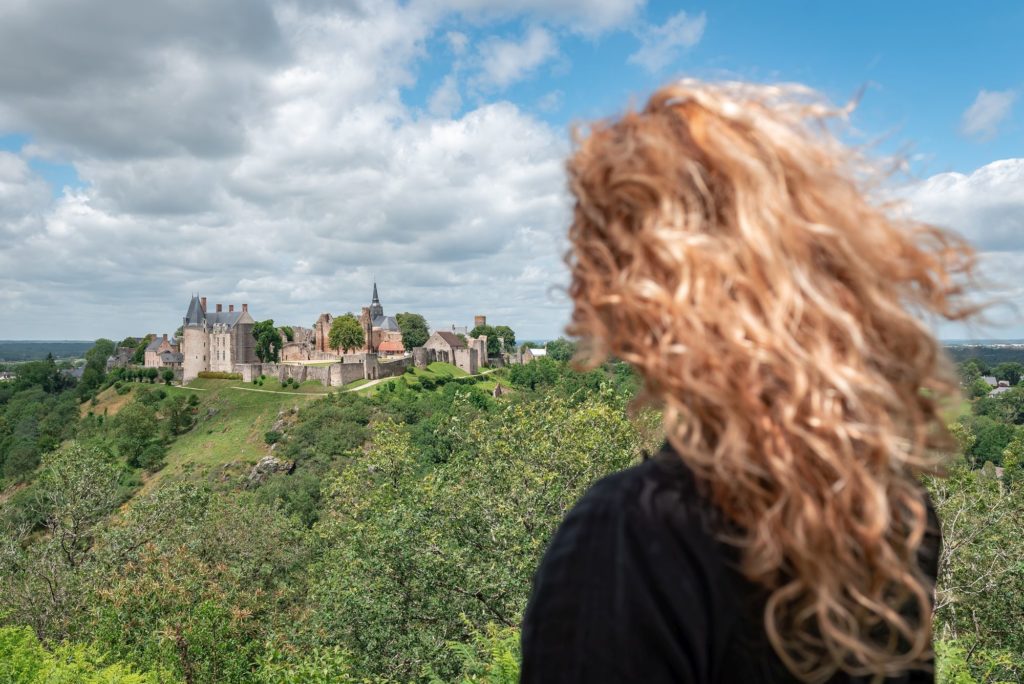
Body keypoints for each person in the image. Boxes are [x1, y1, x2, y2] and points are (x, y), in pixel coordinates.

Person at [520, 81, 977, 683]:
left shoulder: (633, 535)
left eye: (591, 258)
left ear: (639, 288)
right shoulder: (894, 511)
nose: (579, 291)